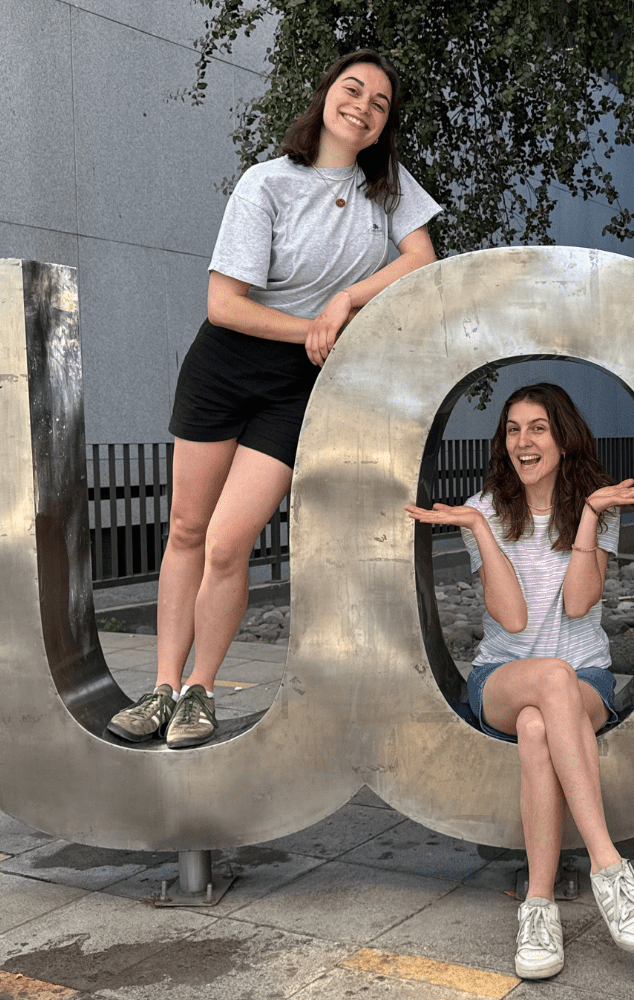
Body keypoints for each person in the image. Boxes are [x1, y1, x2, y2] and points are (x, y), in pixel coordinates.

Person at [107, 50, 440, 749]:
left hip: (299, 383)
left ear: (383, 127)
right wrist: (315, 326)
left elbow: (421, 259)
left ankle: (200, 689)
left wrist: (345, 299)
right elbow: (224, 304)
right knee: (188, 533)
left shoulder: (388, 188)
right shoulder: (268, 183)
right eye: (353, 90)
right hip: (229, 364)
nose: (364, 106)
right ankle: (162, 688)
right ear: (326, 97)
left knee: (230, 544)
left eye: (380, 103)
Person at [404, 383, 634, 980]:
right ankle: (609, 868)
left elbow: (578, 603)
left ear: (564, 436)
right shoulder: (484, 508)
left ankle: (539, 908)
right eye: (513, 429)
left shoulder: (597, 507)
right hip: (503, 675)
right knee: (544, 681)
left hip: (582, 680)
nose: (524, 441)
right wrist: (479, 528)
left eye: (538, 427)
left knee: (537, 723)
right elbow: (512, 619)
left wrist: (592, 516)